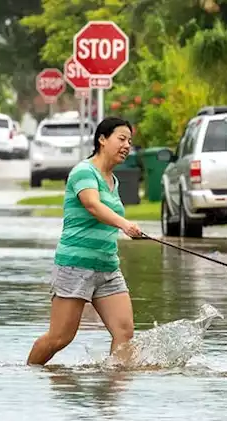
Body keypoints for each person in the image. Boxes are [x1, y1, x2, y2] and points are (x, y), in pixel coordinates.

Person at [28, 117, 142, 366]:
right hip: (75, 266)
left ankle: (114, 395)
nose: (126, 146)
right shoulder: (83, 172)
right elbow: (92, 205)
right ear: (102, 139)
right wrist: (124, 224)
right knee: (60, 337)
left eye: (129, 141)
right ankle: (29, 374)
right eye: (121, 139)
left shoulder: (113, 180)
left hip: (108, 267)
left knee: (124, 333)